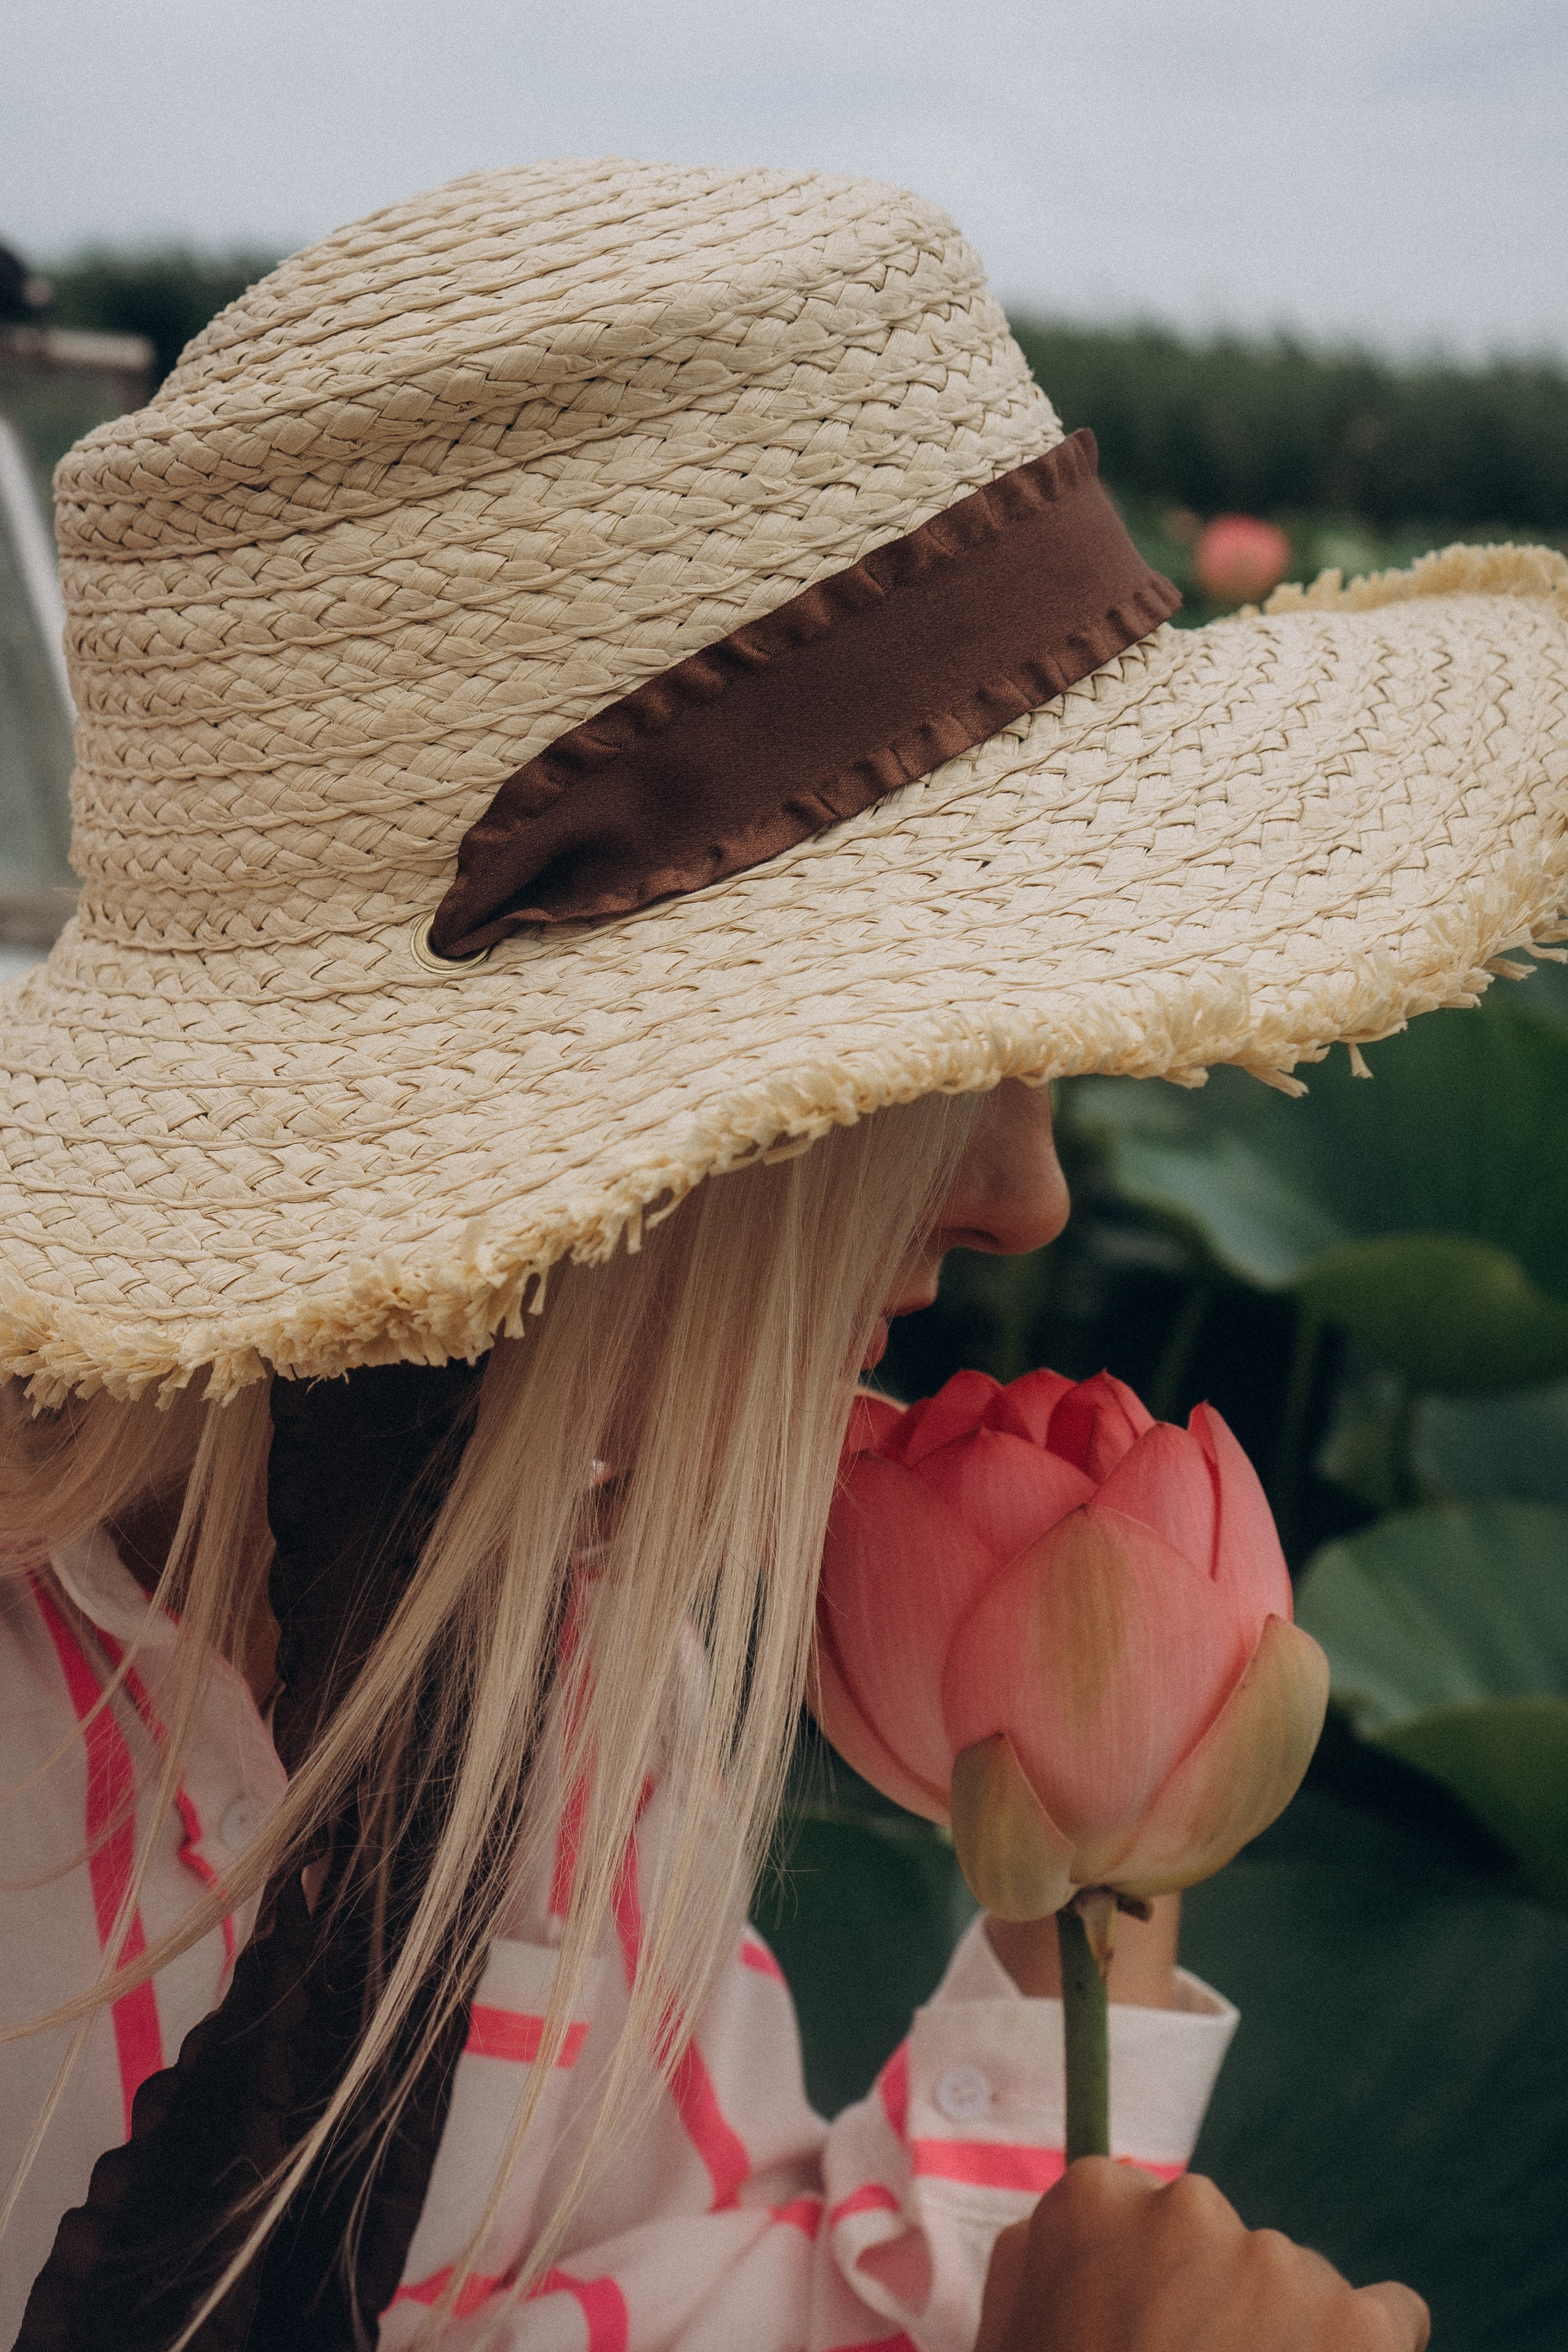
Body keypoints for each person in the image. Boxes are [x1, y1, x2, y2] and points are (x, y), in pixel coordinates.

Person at [2, 154, 1561, 2349]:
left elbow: (673, 2287)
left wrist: (1072, 1932)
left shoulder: (542, 1622)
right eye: (931, 1054)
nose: (1031, 1197)